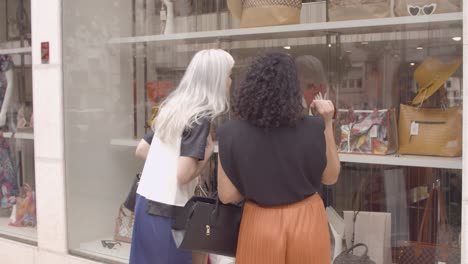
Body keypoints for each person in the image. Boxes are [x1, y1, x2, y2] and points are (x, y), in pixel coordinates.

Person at [217, 53, 340, 264]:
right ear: (293, 89)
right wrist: (327, 123)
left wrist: (256, 183)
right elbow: (330, 177)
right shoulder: (314, 127)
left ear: (250, 88)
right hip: (308, 223)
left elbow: (227, 195)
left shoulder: (230, 132)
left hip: (260, 224)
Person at [130, 49, 234, 264]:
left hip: (145, 203)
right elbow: (183, 174)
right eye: (227, 74)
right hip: (170, 211)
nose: (230, 81)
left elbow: (142, 149)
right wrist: (206, 154)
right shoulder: (200, 117)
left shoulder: (172, 108)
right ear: (215, 79)